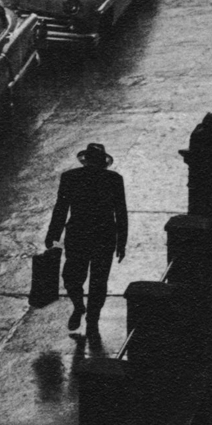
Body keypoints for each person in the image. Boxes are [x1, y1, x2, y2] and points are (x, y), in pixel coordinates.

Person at [45, 143, 128, 336]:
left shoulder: (70, 178)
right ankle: (92, 318)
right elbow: (120, 212)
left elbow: (61, 208)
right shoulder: (113, 179)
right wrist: (121, 241)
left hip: (78, 235)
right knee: (98, 281)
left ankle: (81, 308)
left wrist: (53, 235)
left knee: (72, 277)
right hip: (104, 236)